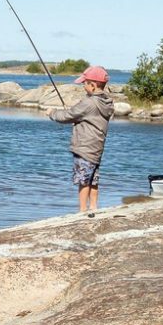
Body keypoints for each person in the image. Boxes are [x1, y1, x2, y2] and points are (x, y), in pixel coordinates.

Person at [46, 65, 115, 214]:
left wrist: (52, 113)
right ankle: (94, 207)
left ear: (93, 85)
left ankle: (82, 210)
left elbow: (66, 116)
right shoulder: (106, 103)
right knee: (94, 179)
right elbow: (90, 119)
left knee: (83, 180)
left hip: (84, 147)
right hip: (96, 147)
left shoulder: (89, 103)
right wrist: (79, 121)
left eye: (85, 83)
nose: (83, 86)